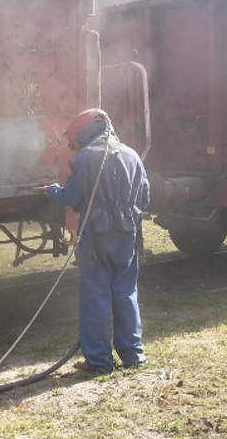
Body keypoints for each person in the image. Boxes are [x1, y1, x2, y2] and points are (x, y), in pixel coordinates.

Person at [44, 108, 149, 374]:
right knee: (126, 292)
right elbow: (145, 196)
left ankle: (100, 362)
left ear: (83, 133)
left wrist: (52, 191)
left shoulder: (86, 158)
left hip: (97, 236)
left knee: (96, 294)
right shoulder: (131, 154)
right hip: (127, 234)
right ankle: (133, 356)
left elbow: (71, 197)